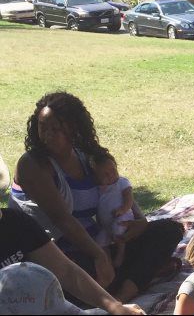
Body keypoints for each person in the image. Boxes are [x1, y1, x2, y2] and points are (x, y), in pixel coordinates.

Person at [10, 91, 184, 303]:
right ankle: (131, 282)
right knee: (70, 281)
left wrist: (140, 221)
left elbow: (117, 185)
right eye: (42, 127)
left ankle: (119, 295)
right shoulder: (33, 164)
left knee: (170, 230)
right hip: (58, 253)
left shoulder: (87, 156)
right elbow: (62, 219)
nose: (47, 135)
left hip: (99, 241)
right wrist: (99, 256)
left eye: (56, 129)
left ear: (73, 128)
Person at [0, 207, 143, 315]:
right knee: (15, 274)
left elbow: (66, 272)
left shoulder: (15, 222)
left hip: (39, 307)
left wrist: (115, 307)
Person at [91, 150, 135, 268]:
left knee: (118, 228)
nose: (111, 175)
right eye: (105, 174)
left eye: (113, 171)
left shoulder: (122, 182)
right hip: (106, 223)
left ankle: (121, 253)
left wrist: (123, 209)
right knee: (100, 240)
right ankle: (106, 260)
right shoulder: (100, 188)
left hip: (123, 216)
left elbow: (129, 198)